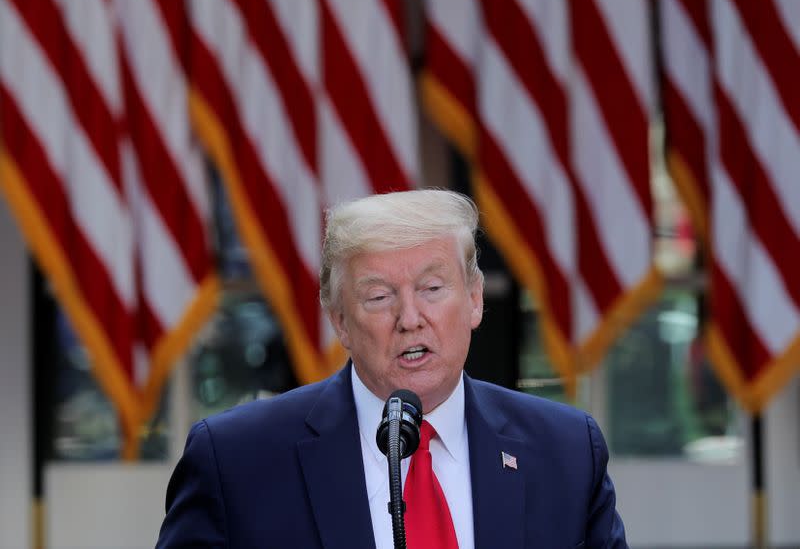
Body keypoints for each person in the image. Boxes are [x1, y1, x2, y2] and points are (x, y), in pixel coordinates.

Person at [156, 189, 627, 548]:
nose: (410, 318)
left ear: (475, 299)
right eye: (379, 297)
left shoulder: (565, 452)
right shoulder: (236, 461)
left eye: (432, 288)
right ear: (340, 320)